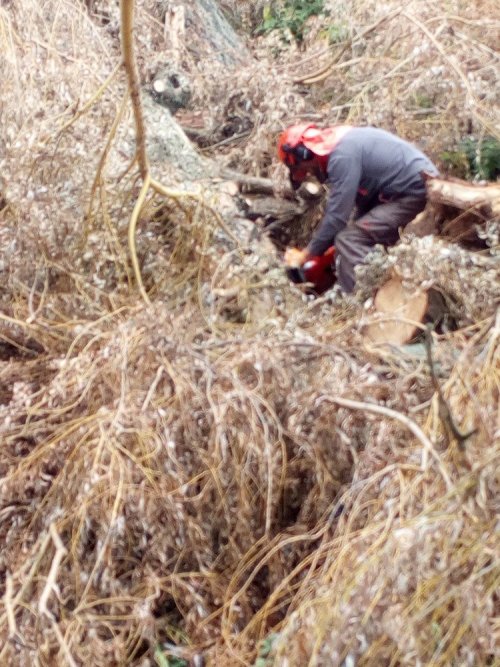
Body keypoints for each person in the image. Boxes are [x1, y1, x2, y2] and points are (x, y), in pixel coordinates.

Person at [277, 123, 439, 293]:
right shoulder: (345, 147)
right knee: (349, 239)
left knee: (348, 240)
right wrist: (329, 250)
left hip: (416, 192)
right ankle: (378, 285)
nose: (308, 174)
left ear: (306, 154)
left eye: (304, 169)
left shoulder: (342, 156)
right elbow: (363, 209)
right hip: (404, 191)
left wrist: (306, 254)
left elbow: (336, 218)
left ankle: (362, 301)